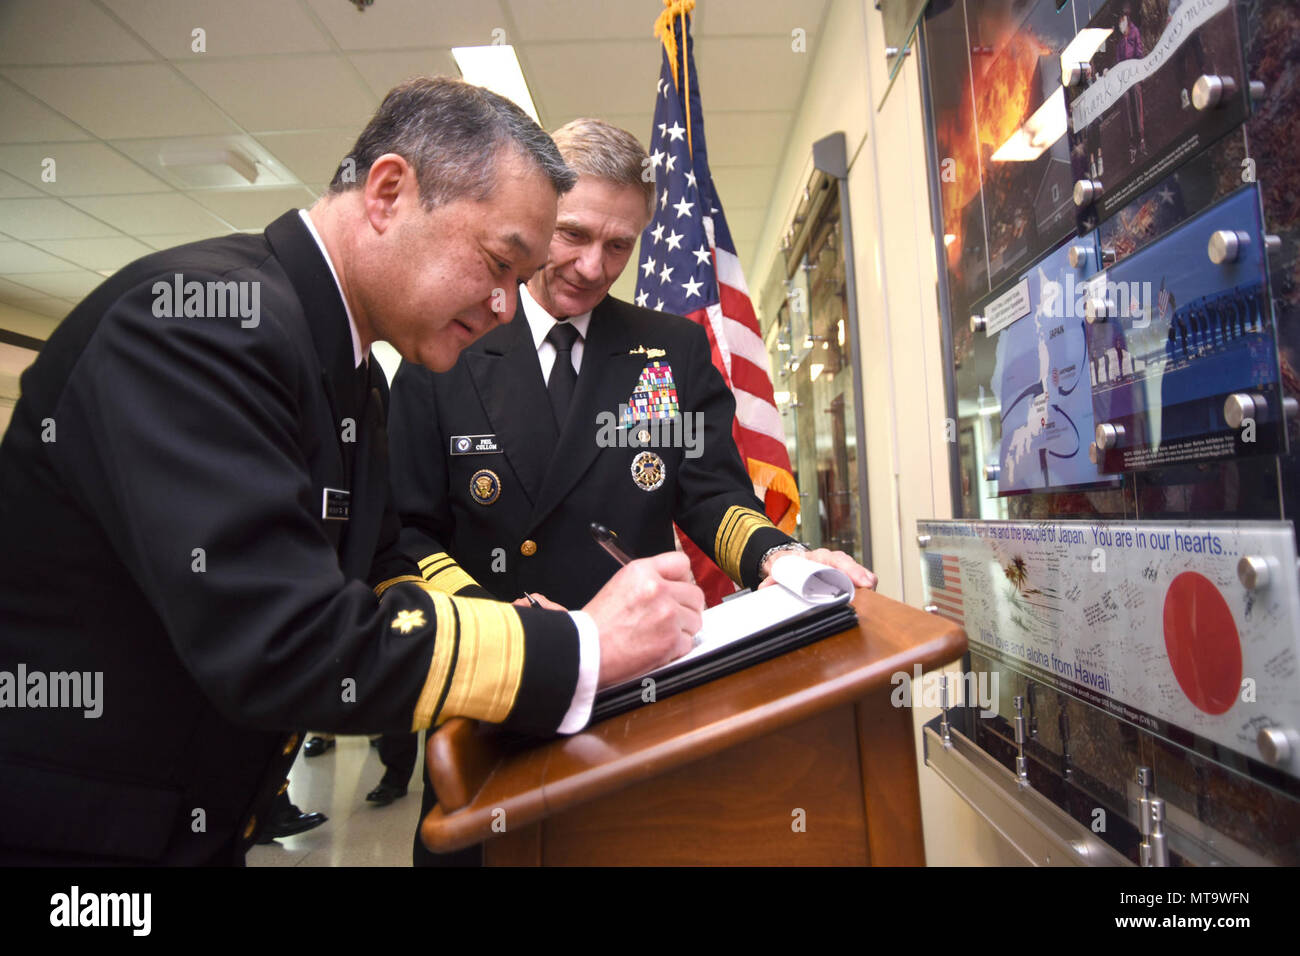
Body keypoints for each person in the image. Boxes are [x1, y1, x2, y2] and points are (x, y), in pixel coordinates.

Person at [0, 80, 702, 865]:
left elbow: (381, 561)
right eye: (499, 262)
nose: (511, 305)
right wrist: (579, 645)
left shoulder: (349, 366)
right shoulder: (198, 323)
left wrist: (526, 621)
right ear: (390, 191)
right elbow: (286, 641)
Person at [385, 118, 875, 864]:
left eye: (620, 245)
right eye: (573, 234)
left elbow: (711, 495)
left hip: (640, 692)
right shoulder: (447, 339)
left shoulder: (668, 349)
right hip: (500, 681)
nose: (592, 265)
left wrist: (784, 559)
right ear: (536, 215)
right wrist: (502, 622)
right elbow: (408, 530)